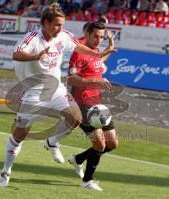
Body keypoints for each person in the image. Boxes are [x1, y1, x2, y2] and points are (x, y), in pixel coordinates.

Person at [0, 3, 114, 187]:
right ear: (45, 23)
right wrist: (35, 57)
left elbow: (79, 47)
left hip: (56, 88)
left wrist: (97, 54)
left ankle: (52, 142)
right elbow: (16, 54)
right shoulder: (33, 38)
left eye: (62, 25)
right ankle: (5, 171)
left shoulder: (64, 36)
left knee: (76, 117)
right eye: (57, 25)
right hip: (34, 92)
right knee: (20, 135)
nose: (60, 29)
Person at [67, 22, 119, 191]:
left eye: (101, 37)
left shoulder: (95, 51)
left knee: (112, 144)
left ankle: (78, 159)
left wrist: (109, 49)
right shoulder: (78, 52)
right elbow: (71, 79)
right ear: (87, 34)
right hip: (81, 104)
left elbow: (97, 62)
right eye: (95, 36)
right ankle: (86, 181)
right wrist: (96, 80)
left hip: (97, 104)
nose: (98, 40)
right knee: (100, 145)